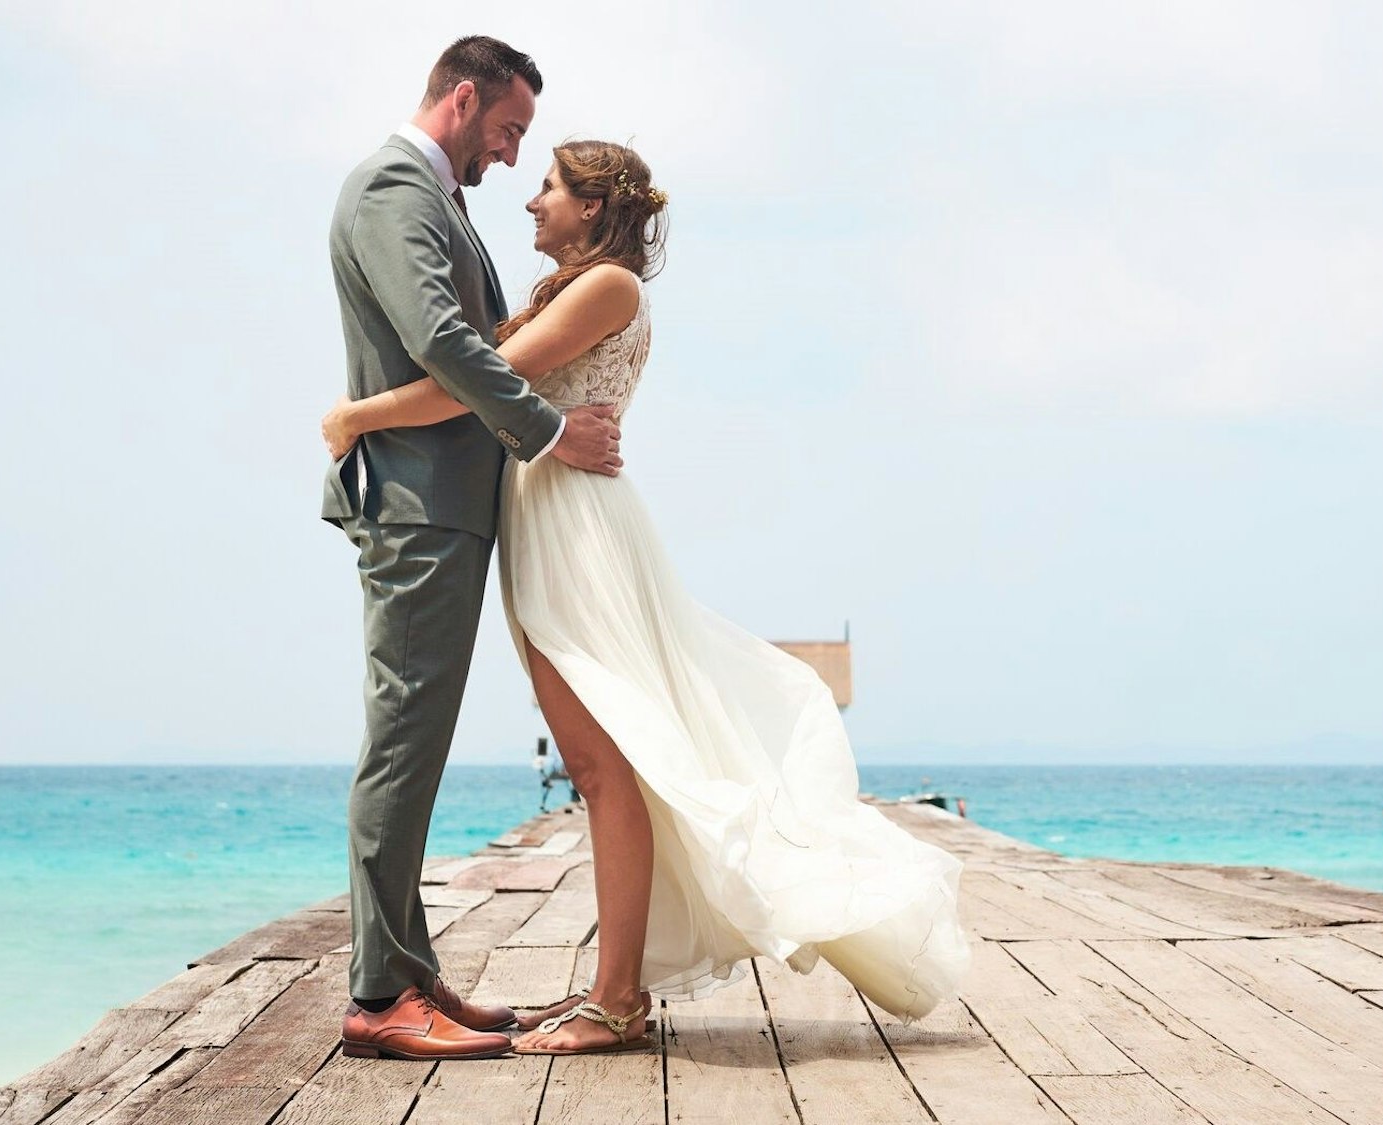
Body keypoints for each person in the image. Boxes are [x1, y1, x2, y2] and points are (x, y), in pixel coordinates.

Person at [322, 138, 970, 1057]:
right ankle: (610, 992)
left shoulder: (609, 287)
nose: (531, 201)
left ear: (593, 207)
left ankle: (618, 999)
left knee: (601, 762)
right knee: (602, 761)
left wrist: (358, 415)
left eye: (547, 187)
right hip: (547, 522)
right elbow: (485, 371)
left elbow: (478, 388)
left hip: (578, 532)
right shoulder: (569, 290)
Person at [319, 36, 625, 1062]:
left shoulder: (429, 195)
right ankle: (376, 996)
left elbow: (479, 337)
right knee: (404, 742)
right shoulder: (393, 190)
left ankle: (406, 970)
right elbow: (447, 343)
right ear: (461, 99)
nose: (509, 156)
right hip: (420, 504)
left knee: (419, 740)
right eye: (508, 129)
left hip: (445, 503)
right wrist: (545, 432)